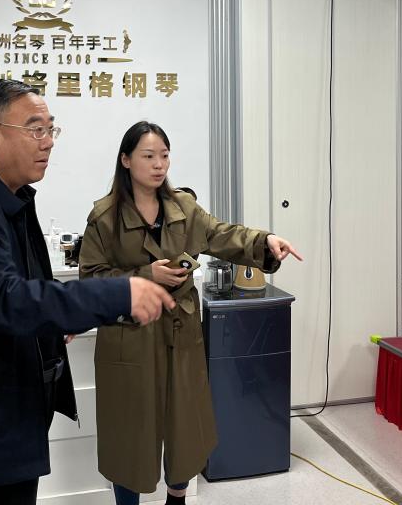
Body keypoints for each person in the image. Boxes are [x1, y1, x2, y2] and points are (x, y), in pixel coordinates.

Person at [0, 81, 176, 505]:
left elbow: (26, 284)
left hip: (7, 416)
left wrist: (57, 320)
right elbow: (6, 299)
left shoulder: (10, 199)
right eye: (35, 129)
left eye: (51, 129)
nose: (48, 142)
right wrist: (118, 294)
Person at [80, 121, 302, 504]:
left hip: (180, 333)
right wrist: (145, 275)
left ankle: (177, 499)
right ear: (126, 160)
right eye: (149, 156)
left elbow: (222, 234)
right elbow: (91, 280)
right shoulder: (105, 217)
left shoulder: (183, 208)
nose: (159, 164)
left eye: (164, 156)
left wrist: (264, 241)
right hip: (130, 337)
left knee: (185, 429)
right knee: (129, 435)